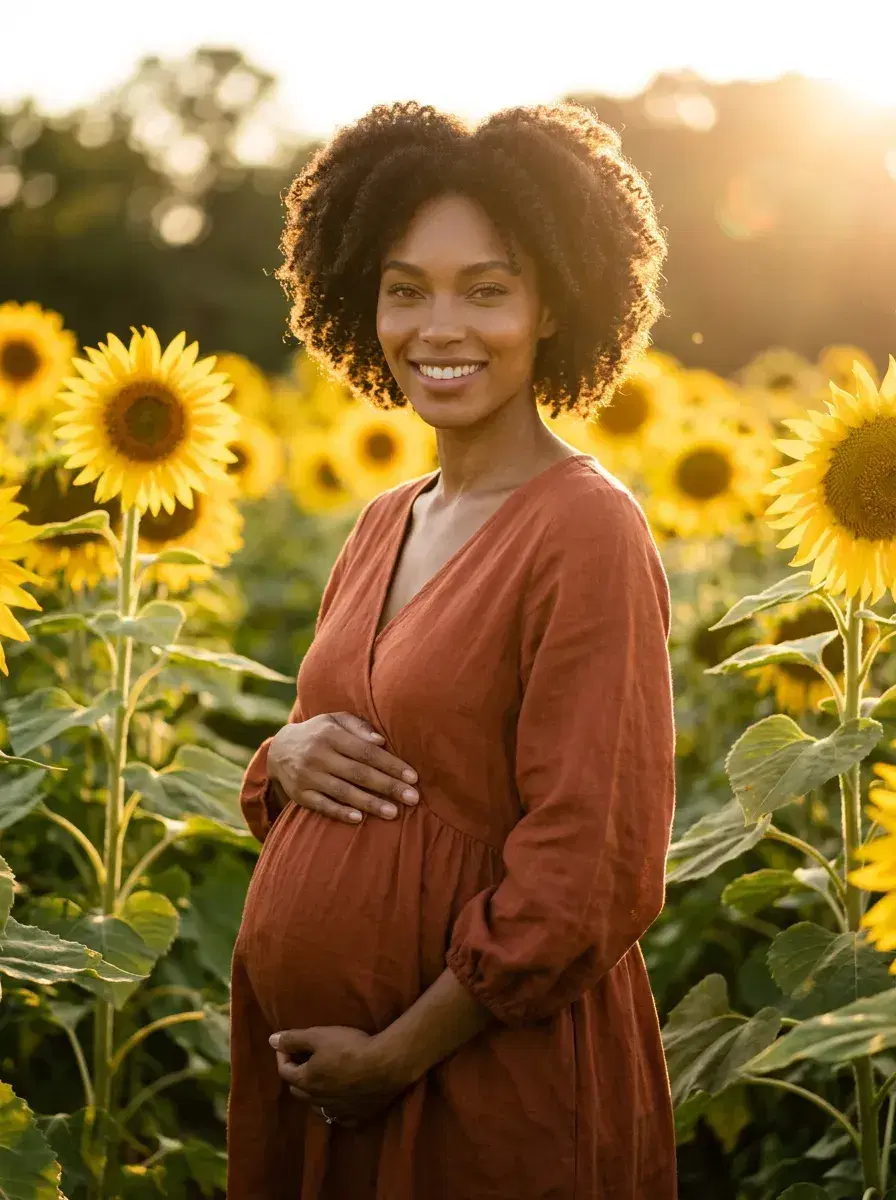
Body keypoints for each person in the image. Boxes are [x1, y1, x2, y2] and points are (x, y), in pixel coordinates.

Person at [227, 99, 677, 1200]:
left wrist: (395, 1054)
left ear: (552, 306)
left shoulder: (584, 528)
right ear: (356, 302)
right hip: (326, 1093)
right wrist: (279, 761)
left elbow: (590, 865)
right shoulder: (386, 518)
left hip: (481, 1085)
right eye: (403, 288)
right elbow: (327, 757)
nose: (440, 326)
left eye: (486, 289)